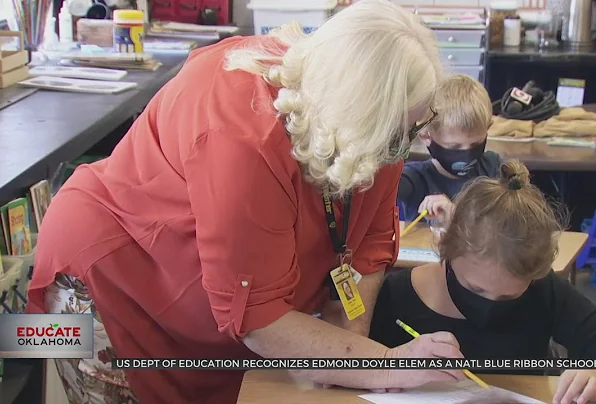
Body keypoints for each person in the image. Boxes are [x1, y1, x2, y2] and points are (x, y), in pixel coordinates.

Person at [25, 1, 469, 403]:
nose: (405, 147)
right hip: (115, 282)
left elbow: (369, 246)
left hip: (212, 320)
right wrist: (381, 367)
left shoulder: (383, 125)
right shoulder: (242, 135)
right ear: (357, 114)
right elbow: (260, 320)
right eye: (399, 133)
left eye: (413, 128)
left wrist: (348, 358)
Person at [371, 160, 596, 404]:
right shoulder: (397, 296)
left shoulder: (543, 290)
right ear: (446, 246)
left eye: (509, 296)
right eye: (475, 288)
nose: (489, 304)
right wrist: (389, 365)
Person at [397, 74, 502, 222]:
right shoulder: (413, 179)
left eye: (476, 144)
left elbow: (516, 225)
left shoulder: (494, 168)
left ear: (487, 129)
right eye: (455, 146)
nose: (467, 153)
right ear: (426, 136)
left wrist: (455, 216)